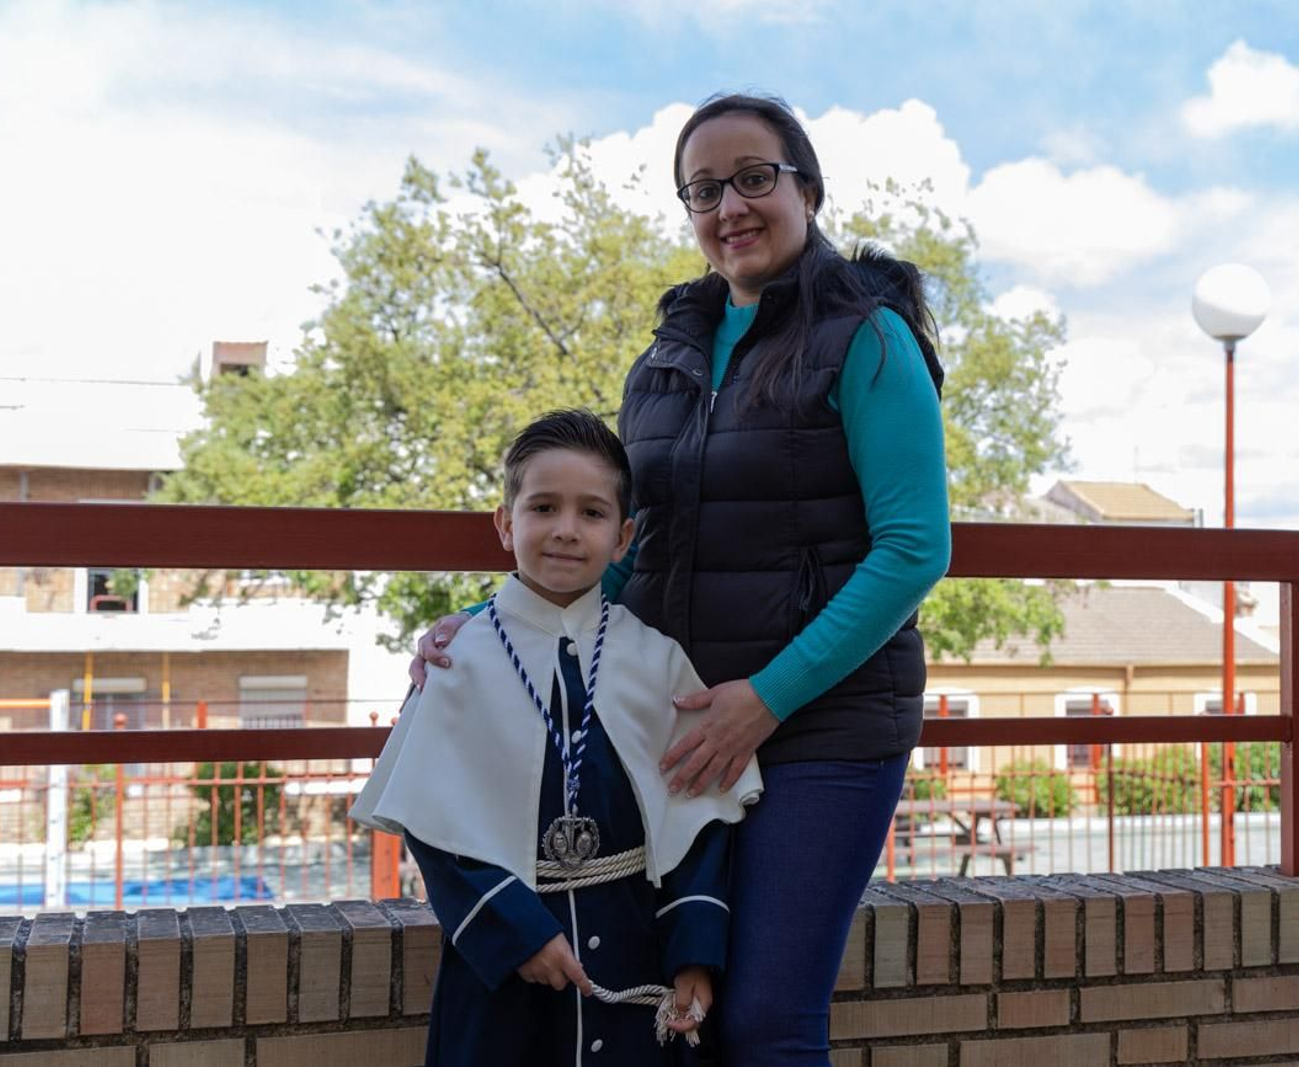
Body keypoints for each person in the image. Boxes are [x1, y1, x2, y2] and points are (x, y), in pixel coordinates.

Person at [414, 92, 951, 1065]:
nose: (730, 205)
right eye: (703, 189)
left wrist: (766, 699)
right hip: (678, 723)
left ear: (808, 188)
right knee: (676, 1001)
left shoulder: (868, 337)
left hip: (821, 729)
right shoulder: (662, 359)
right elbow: (625, 549)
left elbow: (914, 547)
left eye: (755, 177)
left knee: (763, 1019)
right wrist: (487, 625)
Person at [357, 408, 762, 1066]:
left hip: (637, 957)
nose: (566, 531)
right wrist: (515, 931)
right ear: (504, 522)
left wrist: (695, 953)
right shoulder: (457, 661)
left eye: (592, 513)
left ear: (624, 535)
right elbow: (437, 826)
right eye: (543, 507)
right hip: (506, 975)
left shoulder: (657, 661)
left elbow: (700, 815)